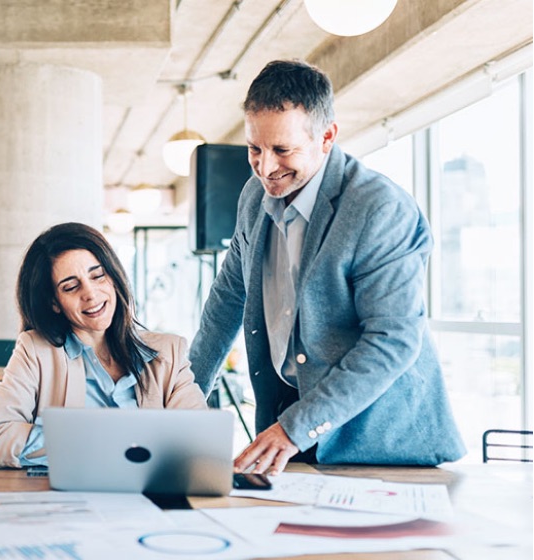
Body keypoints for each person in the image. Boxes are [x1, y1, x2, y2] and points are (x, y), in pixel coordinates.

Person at [189, 59, 465, 475]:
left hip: (380, 441)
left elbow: (393, 339)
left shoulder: (378, 207)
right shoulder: (252, 198)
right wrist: (181, 404)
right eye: (255, 149)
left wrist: (296, 428)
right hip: (291, 425)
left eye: (283, 150)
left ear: (327, 136)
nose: (266, 167)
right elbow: (226, 301)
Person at [0, 222, 206, 469]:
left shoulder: (169, 353)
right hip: (71, 501)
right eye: (71, 287)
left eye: (97, 276)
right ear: (55, 302)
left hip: (152, 499)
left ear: (114, 279)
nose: (91, 294)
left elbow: (200, 441)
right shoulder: (36, 351)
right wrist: (97, 443)